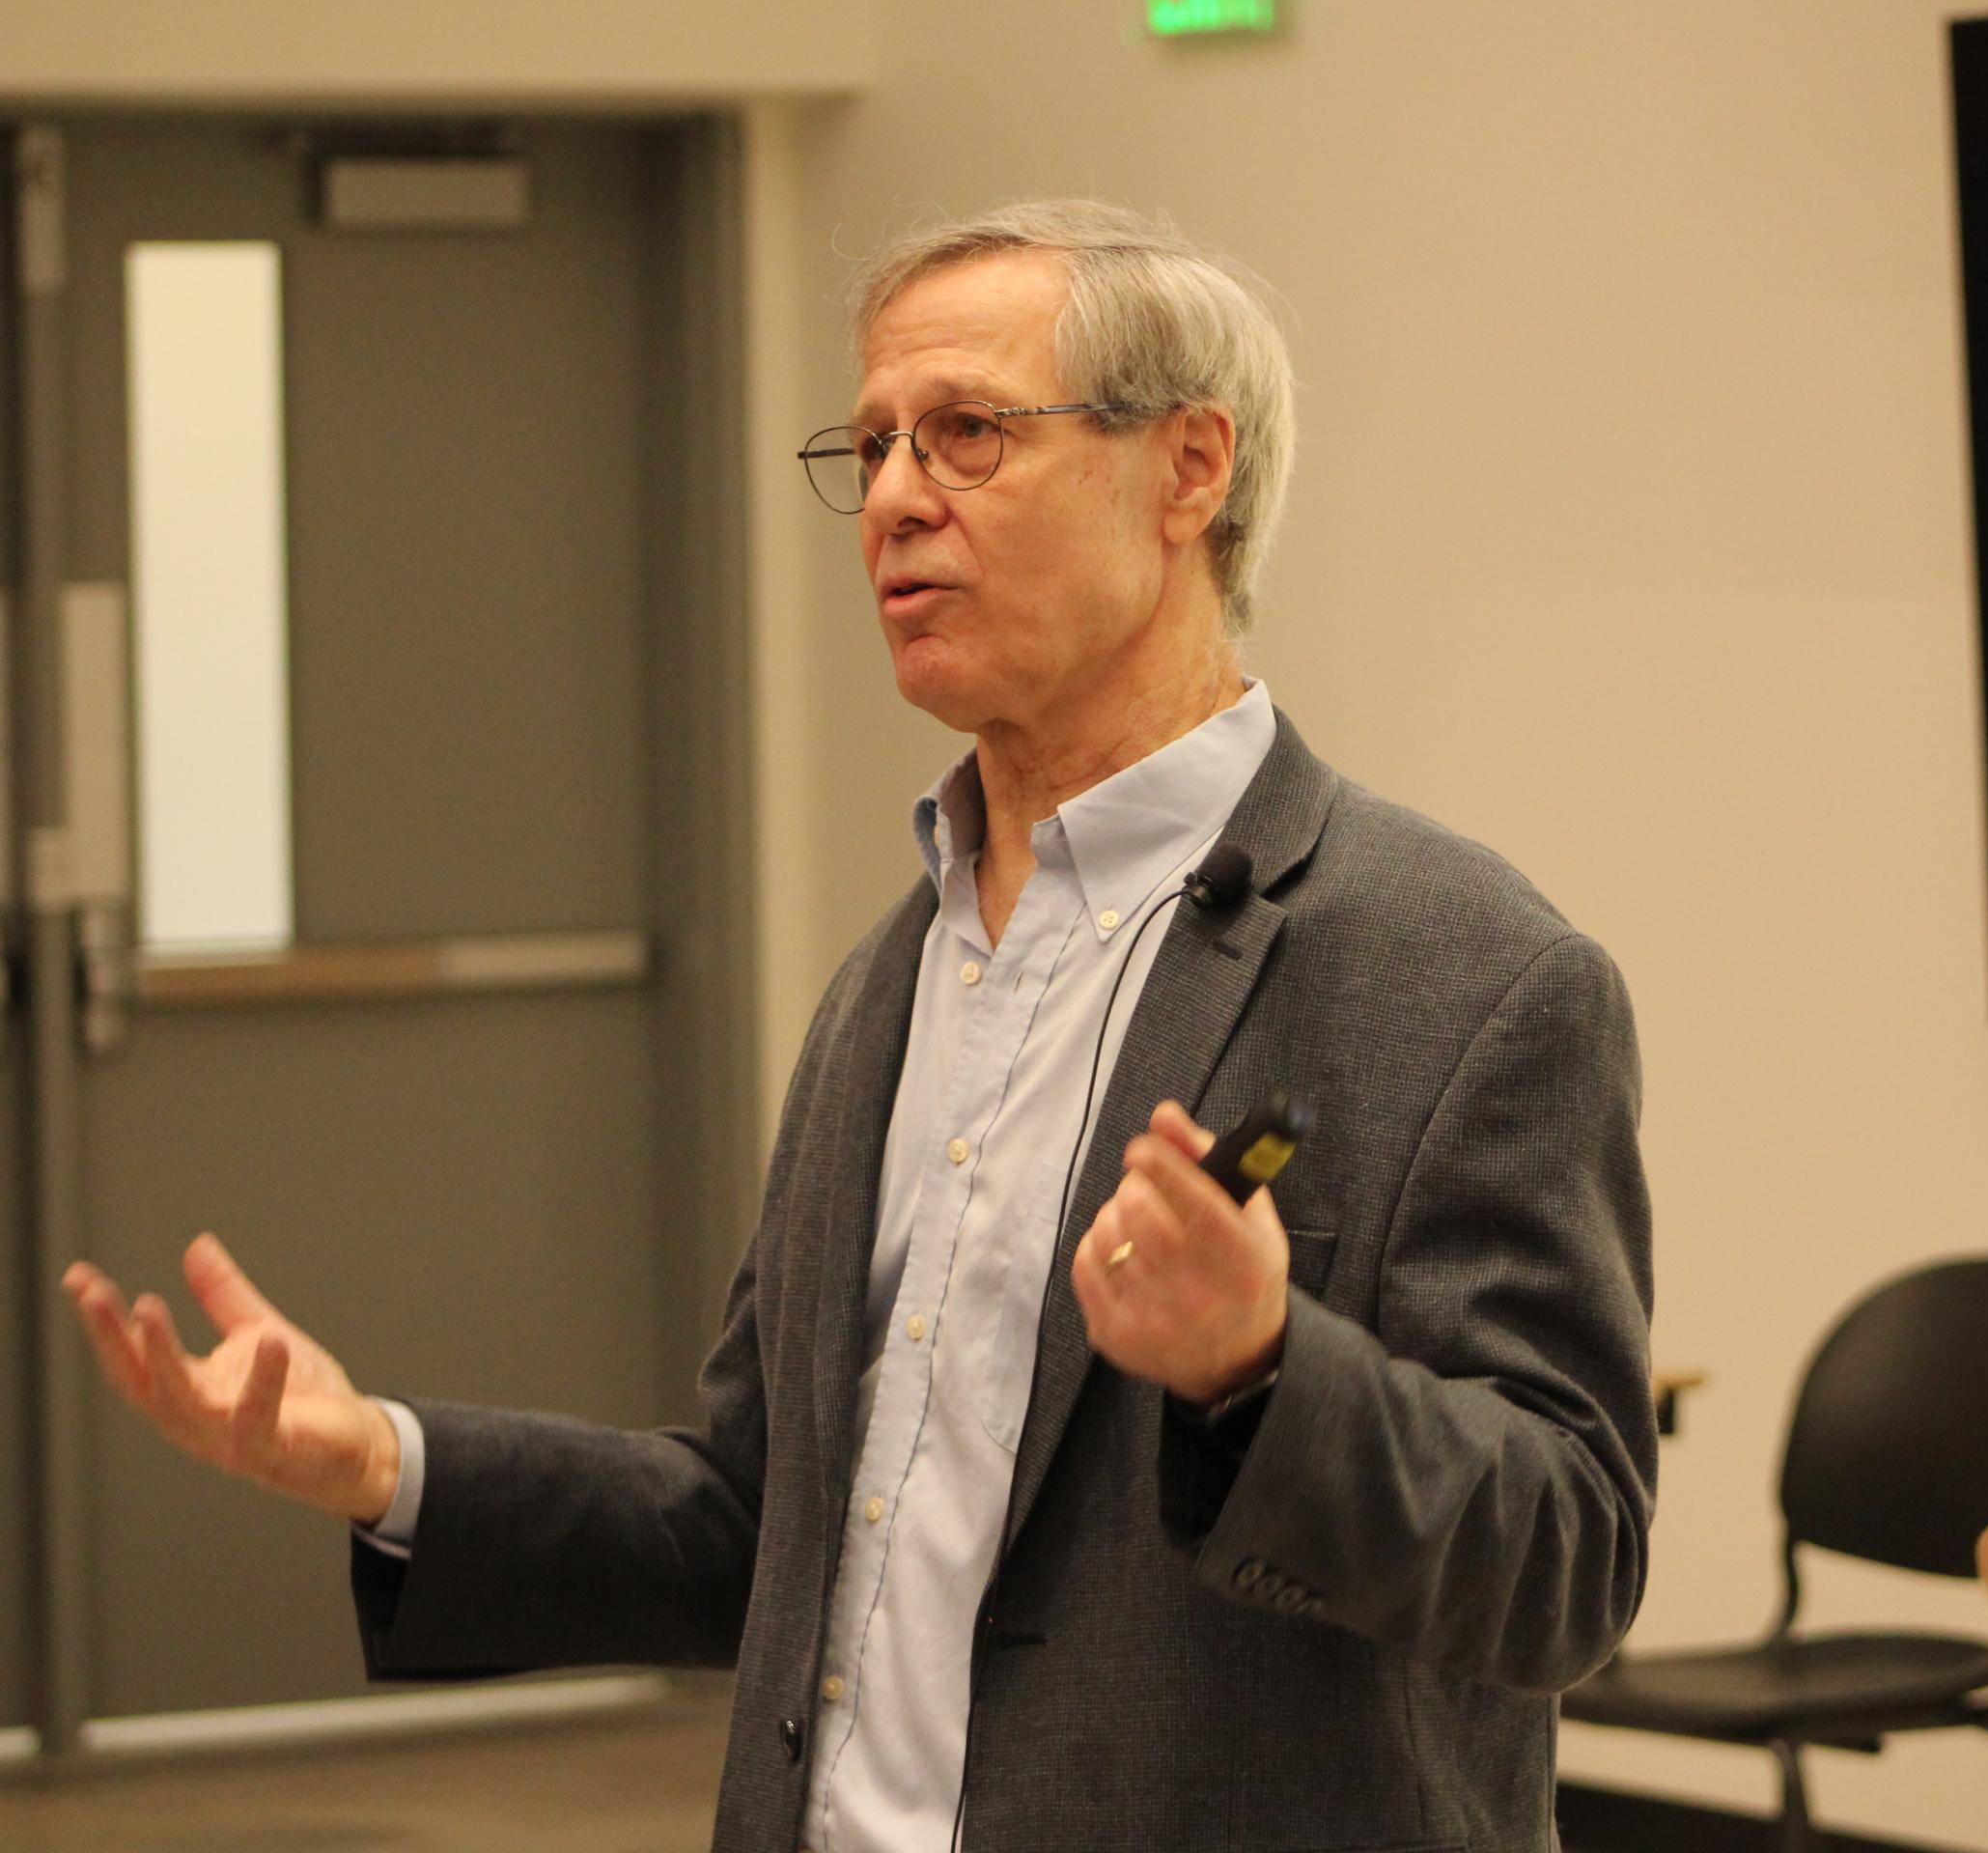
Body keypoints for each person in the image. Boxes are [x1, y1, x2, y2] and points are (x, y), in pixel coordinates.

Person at [60, 199, 1654, 1853]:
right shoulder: (897, 976)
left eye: (968, 433)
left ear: (1189, 470)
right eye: (876, 443)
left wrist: (1263, 1371)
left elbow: (1570, 1564)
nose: (893, 498)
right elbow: (772, 1515)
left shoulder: (1462, 974)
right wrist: (385, 1464)